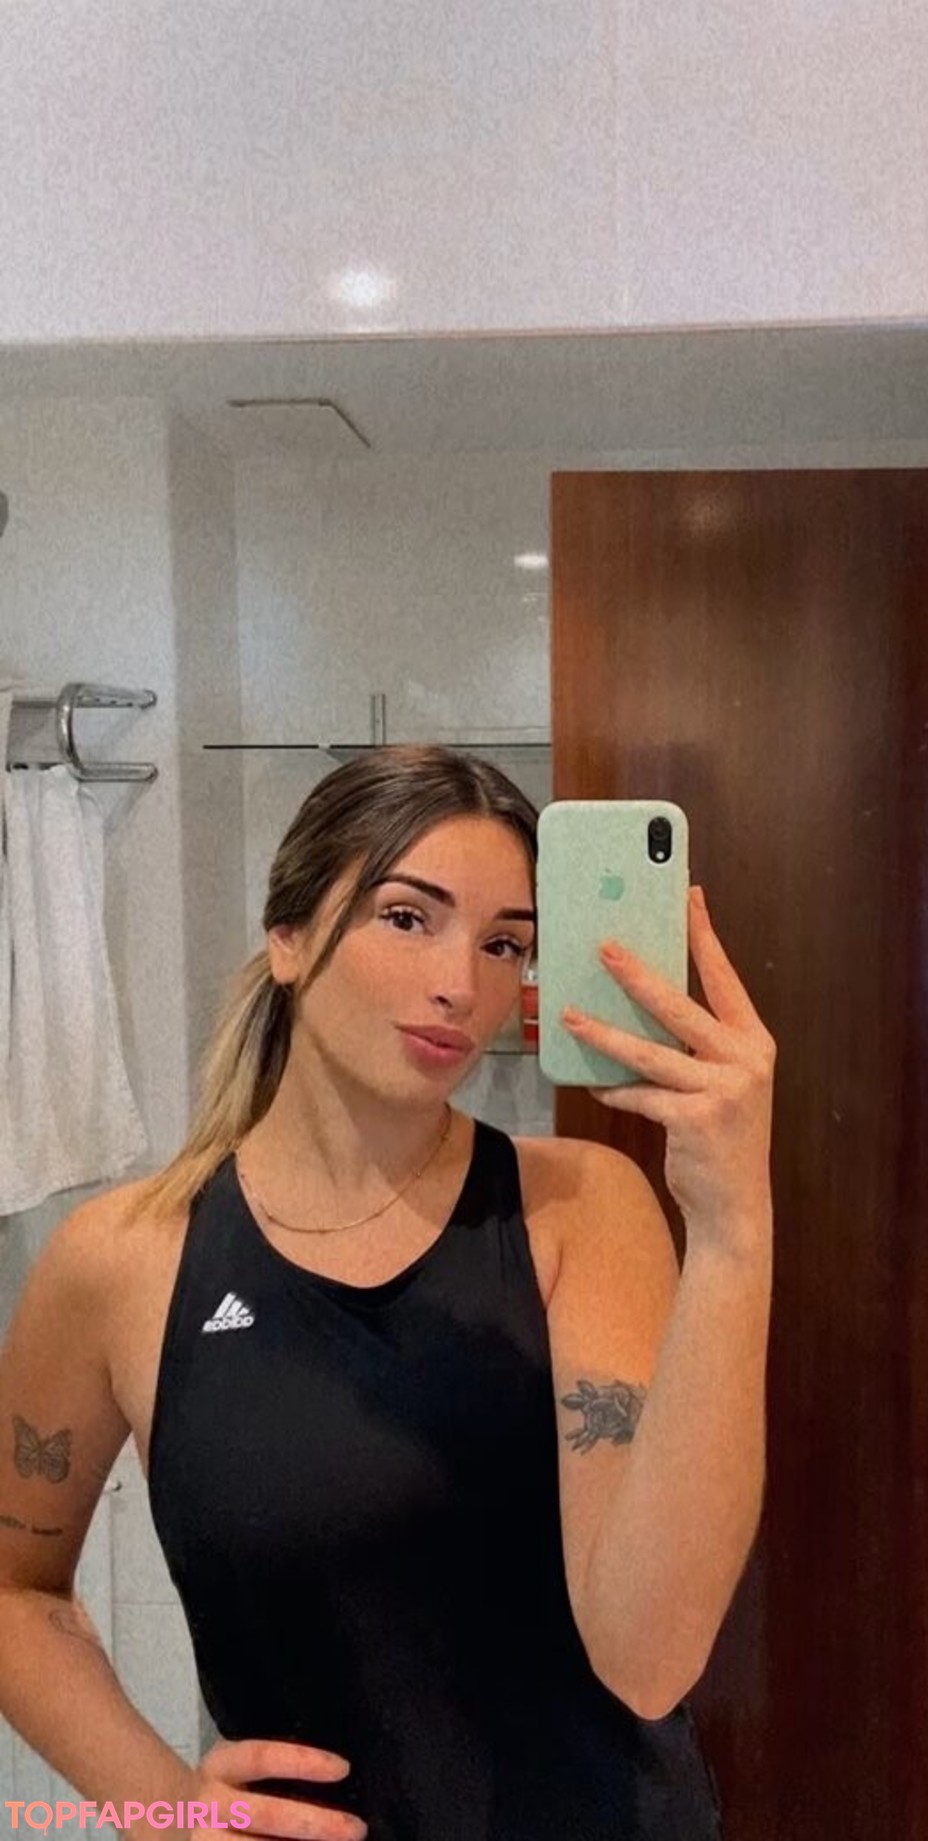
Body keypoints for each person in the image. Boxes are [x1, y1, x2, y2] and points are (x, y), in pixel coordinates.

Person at [0, 745, 775, 1841]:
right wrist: (161, 1808)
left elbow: (649, 1658)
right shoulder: (122, 1262)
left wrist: (734, 1231)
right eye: (408, 917)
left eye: (505, 942)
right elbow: (15, 1588)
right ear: (288, 934)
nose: (463, 983)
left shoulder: (578, 1211)